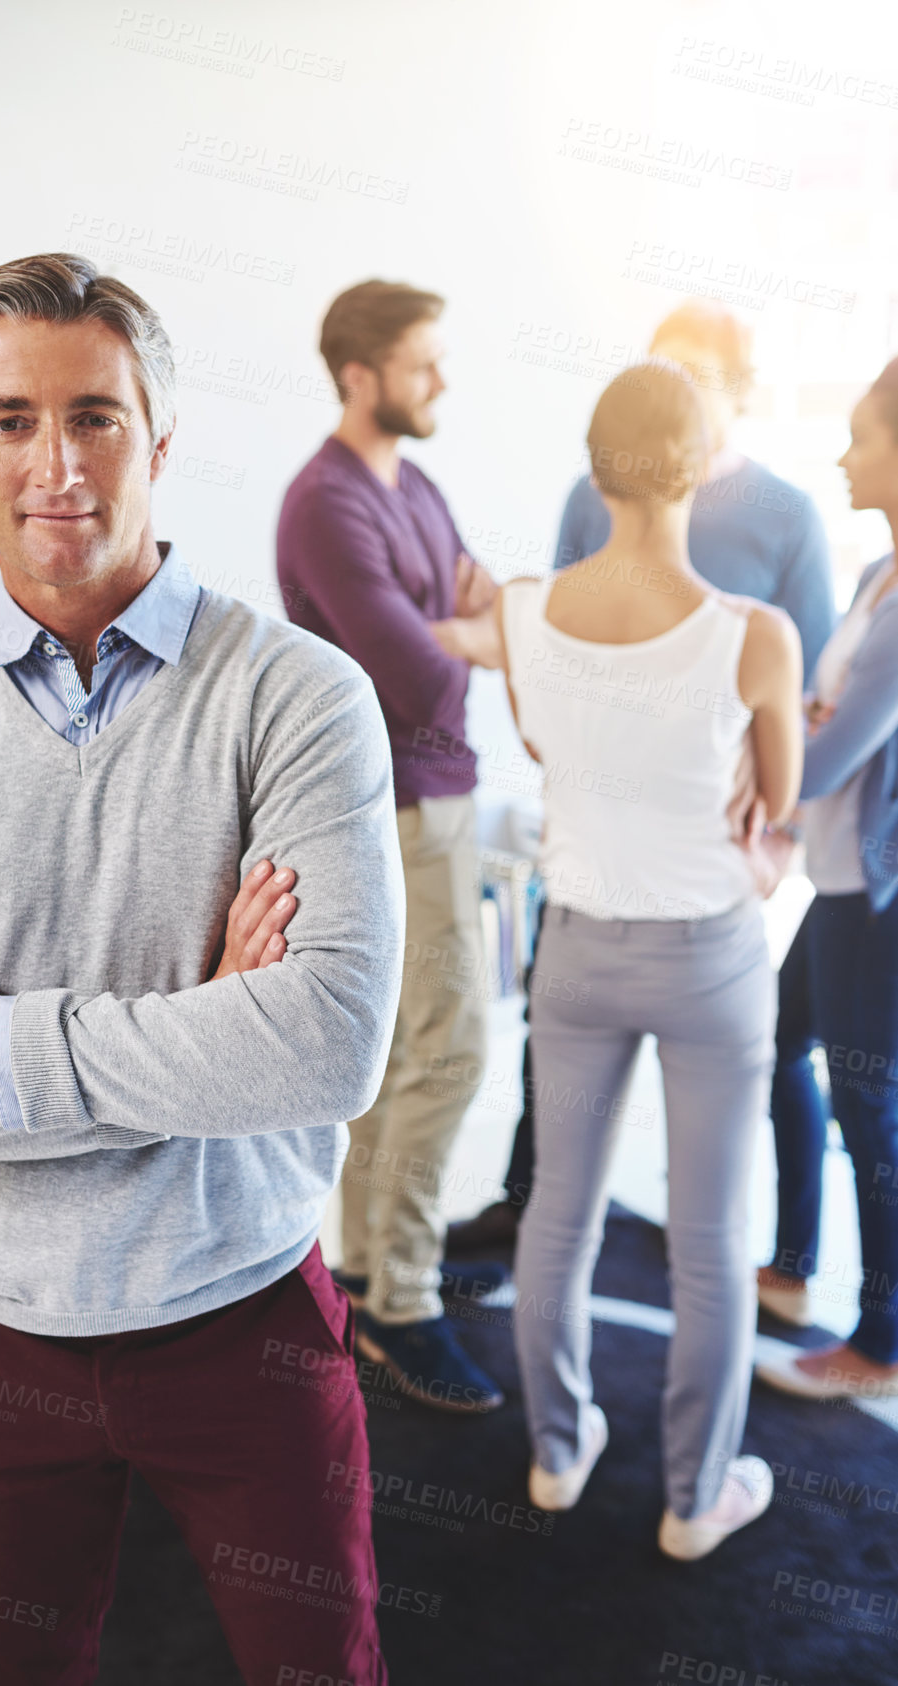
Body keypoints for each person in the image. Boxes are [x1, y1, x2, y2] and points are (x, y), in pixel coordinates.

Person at [0, 253, 406, 1686]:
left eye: (97, 415)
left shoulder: (300, 697)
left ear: (161, 437)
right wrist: (206, 1029)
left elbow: (326, 1047)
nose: (56, 462)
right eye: (10, 421)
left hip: (244, 1317)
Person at [433, 361, 803, 1558]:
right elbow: (777, 813)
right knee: (708, 1245)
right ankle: (697, 1502)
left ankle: (556, 1456)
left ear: (595, 471)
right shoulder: (756, 637)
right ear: (701, 469)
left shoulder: (526, 613)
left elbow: (547, 746)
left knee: (558, 1217)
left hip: (579, 955)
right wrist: (744, 834)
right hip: (709, 962)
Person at [448, 301, 835, 1256]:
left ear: (731, 404)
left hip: (708, 883)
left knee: (712, 1195)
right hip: (589, 886)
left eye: (691, 379)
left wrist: (774, 843)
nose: (667, 399)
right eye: (656, 372)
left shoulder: (786, 519)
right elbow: (556, 669)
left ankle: (789, 1256)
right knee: (565, 1189)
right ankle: (530, 1193)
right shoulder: (589, 501)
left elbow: (808, 695)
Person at [276, 279, 506, 1414]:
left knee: (412, 1052)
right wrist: (459, 637)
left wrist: (452, 634)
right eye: (423, 362)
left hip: (439, 794)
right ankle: (399, 1299)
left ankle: (372, 1270)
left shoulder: (412, 485)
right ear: (360, 374)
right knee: (447, 1049)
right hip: (394, 806)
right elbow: (418, 672)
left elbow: (472, 624)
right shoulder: (325, 504)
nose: (441, 381)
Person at [755, 358, 898, 1398]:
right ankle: (795, 1269)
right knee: (780, 1043)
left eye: (863, 437)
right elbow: (819, 710)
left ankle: (881, 1341)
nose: (846, 456)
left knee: (868, 1102)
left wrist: (767, 772)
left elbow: (833, 747)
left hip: (875, 895)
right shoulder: (872, 578)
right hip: (838, 875)